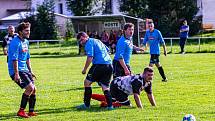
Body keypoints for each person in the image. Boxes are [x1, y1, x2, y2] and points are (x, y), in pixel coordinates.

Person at [76, 32, 114, 110]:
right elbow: (107, 50)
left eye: (82, 40)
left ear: (85, 36)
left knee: (87, 82)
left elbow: (90, 57)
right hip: (109, 65)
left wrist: (85, 69)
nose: (81, 42)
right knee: (105, 86)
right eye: (80, 41)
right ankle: (110, 106)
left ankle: (86, 105)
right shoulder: (97, 40)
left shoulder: (89, 43)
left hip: (99, 65)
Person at [7, 22, 37, 118]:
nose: (28, 32)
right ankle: (21, 111)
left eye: (29, 30)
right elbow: (14, 59)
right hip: (17, 70)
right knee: (30, 88)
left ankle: (31, 111)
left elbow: (27, 57)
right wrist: (16, 74)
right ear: (20, 32)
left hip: (24, 70)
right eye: (26, 30)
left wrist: (31, 71)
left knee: (34, 89)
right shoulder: (15, 43)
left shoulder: (26, 42)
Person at [91, 67, 156, 109]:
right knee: (127, 105)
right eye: (148, 75)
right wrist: (140, 108)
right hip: (117, 86)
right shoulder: (138, 81)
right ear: (144, 74)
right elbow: (136, 96)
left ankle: (91, 96)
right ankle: (104, 105)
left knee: (111, 99)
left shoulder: (148, 82)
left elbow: (150, 94)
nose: (150, 77)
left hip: (118, 85)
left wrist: (154, 106)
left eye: (152, 75)